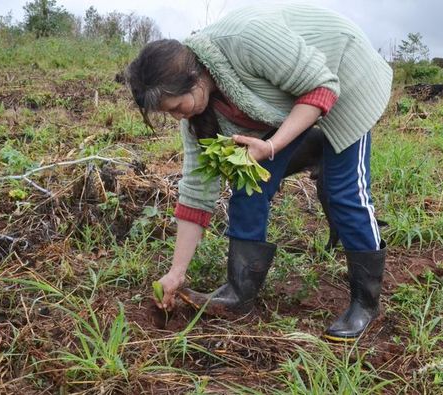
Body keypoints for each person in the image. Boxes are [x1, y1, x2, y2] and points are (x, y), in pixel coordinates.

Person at [126, 3, 392, 341]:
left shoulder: (245, 39)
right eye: (170, 113)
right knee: (248, 183)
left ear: (194, 79)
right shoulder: (196, 117)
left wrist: (272, 145)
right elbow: (196, 189)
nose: (179, 117)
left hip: (344, 77)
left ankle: (365, 304)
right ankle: (240, 292)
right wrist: (177, 272)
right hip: (290, 102)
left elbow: (322, 86)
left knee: (345, 192)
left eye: (178, 107)